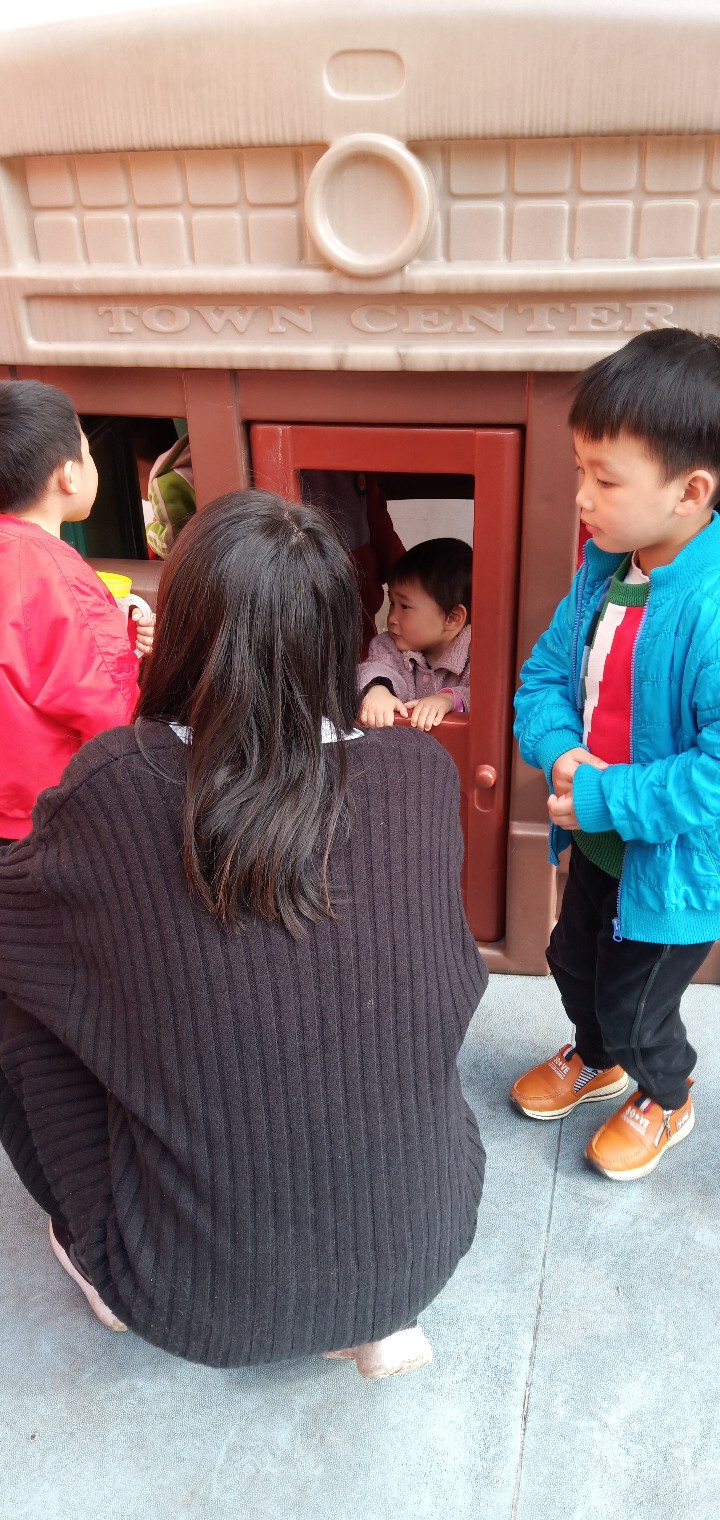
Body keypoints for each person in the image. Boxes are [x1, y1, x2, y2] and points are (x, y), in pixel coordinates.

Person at [0, 492, 487, 1375]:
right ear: (340, 634)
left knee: (23, 997)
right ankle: (371, 1302)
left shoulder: (118, 785)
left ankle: (100, 1258)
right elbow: (454, 979)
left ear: (183, 627)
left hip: (183, 1295)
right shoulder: (419, 771)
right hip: (427, 1243)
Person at [511, 327, 720, 1182]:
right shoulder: (602, 573)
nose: (582, 496)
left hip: (670, 868)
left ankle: (666, 1094)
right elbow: (543, 677)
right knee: (572, 962)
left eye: (605, 478)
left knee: (638, 1006)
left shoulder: (710, 609)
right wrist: (559, 748)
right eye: (580, 470)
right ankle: (595, 1058)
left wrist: (604, 797)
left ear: (691, 491)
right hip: (599, 844)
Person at [0, 380, 155, 845]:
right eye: (88, 453)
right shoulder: (58, 572)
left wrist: (121, 637)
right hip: (40, 814)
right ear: (69, 475)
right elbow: (110, 709)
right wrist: (131, 659)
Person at [358, 538, 471, 731]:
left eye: (404, 606)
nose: (391, 618)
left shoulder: (476, 654)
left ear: (452, 618)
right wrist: (377, 688)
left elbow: (487, 695)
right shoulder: (387, 645)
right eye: (392, 603)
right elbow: (376, 667)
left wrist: (452, 699)